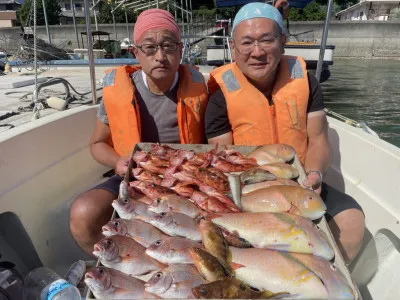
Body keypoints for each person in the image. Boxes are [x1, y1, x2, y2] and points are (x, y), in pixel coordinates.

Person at [205, 3, 365, 263]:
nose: (256, 52)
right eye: (246, 43)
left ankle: (323, 275)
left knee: (352, 221)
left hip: (301, 180)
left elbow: (318, 140)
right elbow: (224, 161)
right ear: (233, 48)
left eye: (266, 40)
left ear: (282, 41)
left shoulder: (306, 83)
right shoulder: (219, 97)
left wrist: (314, 174)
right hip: (250, 188)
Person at [69, 9, 208, 255]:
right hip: (134, 176)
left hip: (188, 178)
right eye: (150, 48)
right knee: (83, 213)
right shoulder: (119, 92)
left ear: (181, 50)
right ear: (136, 52)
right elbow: (97, 144)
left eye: (168, 46)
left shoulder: (201, 89)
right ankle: (116, 268)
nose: (161, 56)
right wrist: (117, 161)